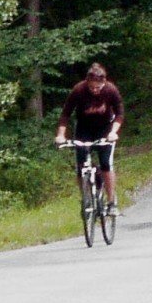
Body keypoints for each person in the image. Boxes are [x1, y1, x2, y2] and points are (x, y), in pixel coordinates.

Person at [54, 62, 124, 213]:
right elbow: (65, 114)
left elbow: (119, 114)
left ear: (103, 83)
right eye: (91, 87)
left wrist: (113, 132)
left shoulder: (111, 90)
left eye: (97, 88)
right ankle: (86, 199)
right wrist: (60, 135)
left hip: (105, 128)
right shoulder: (79, 90)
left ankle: (112, 202)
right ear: (87, 82)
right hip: (84, 129)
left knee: (106, 163)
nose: (94, 90)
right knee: (81, 168)